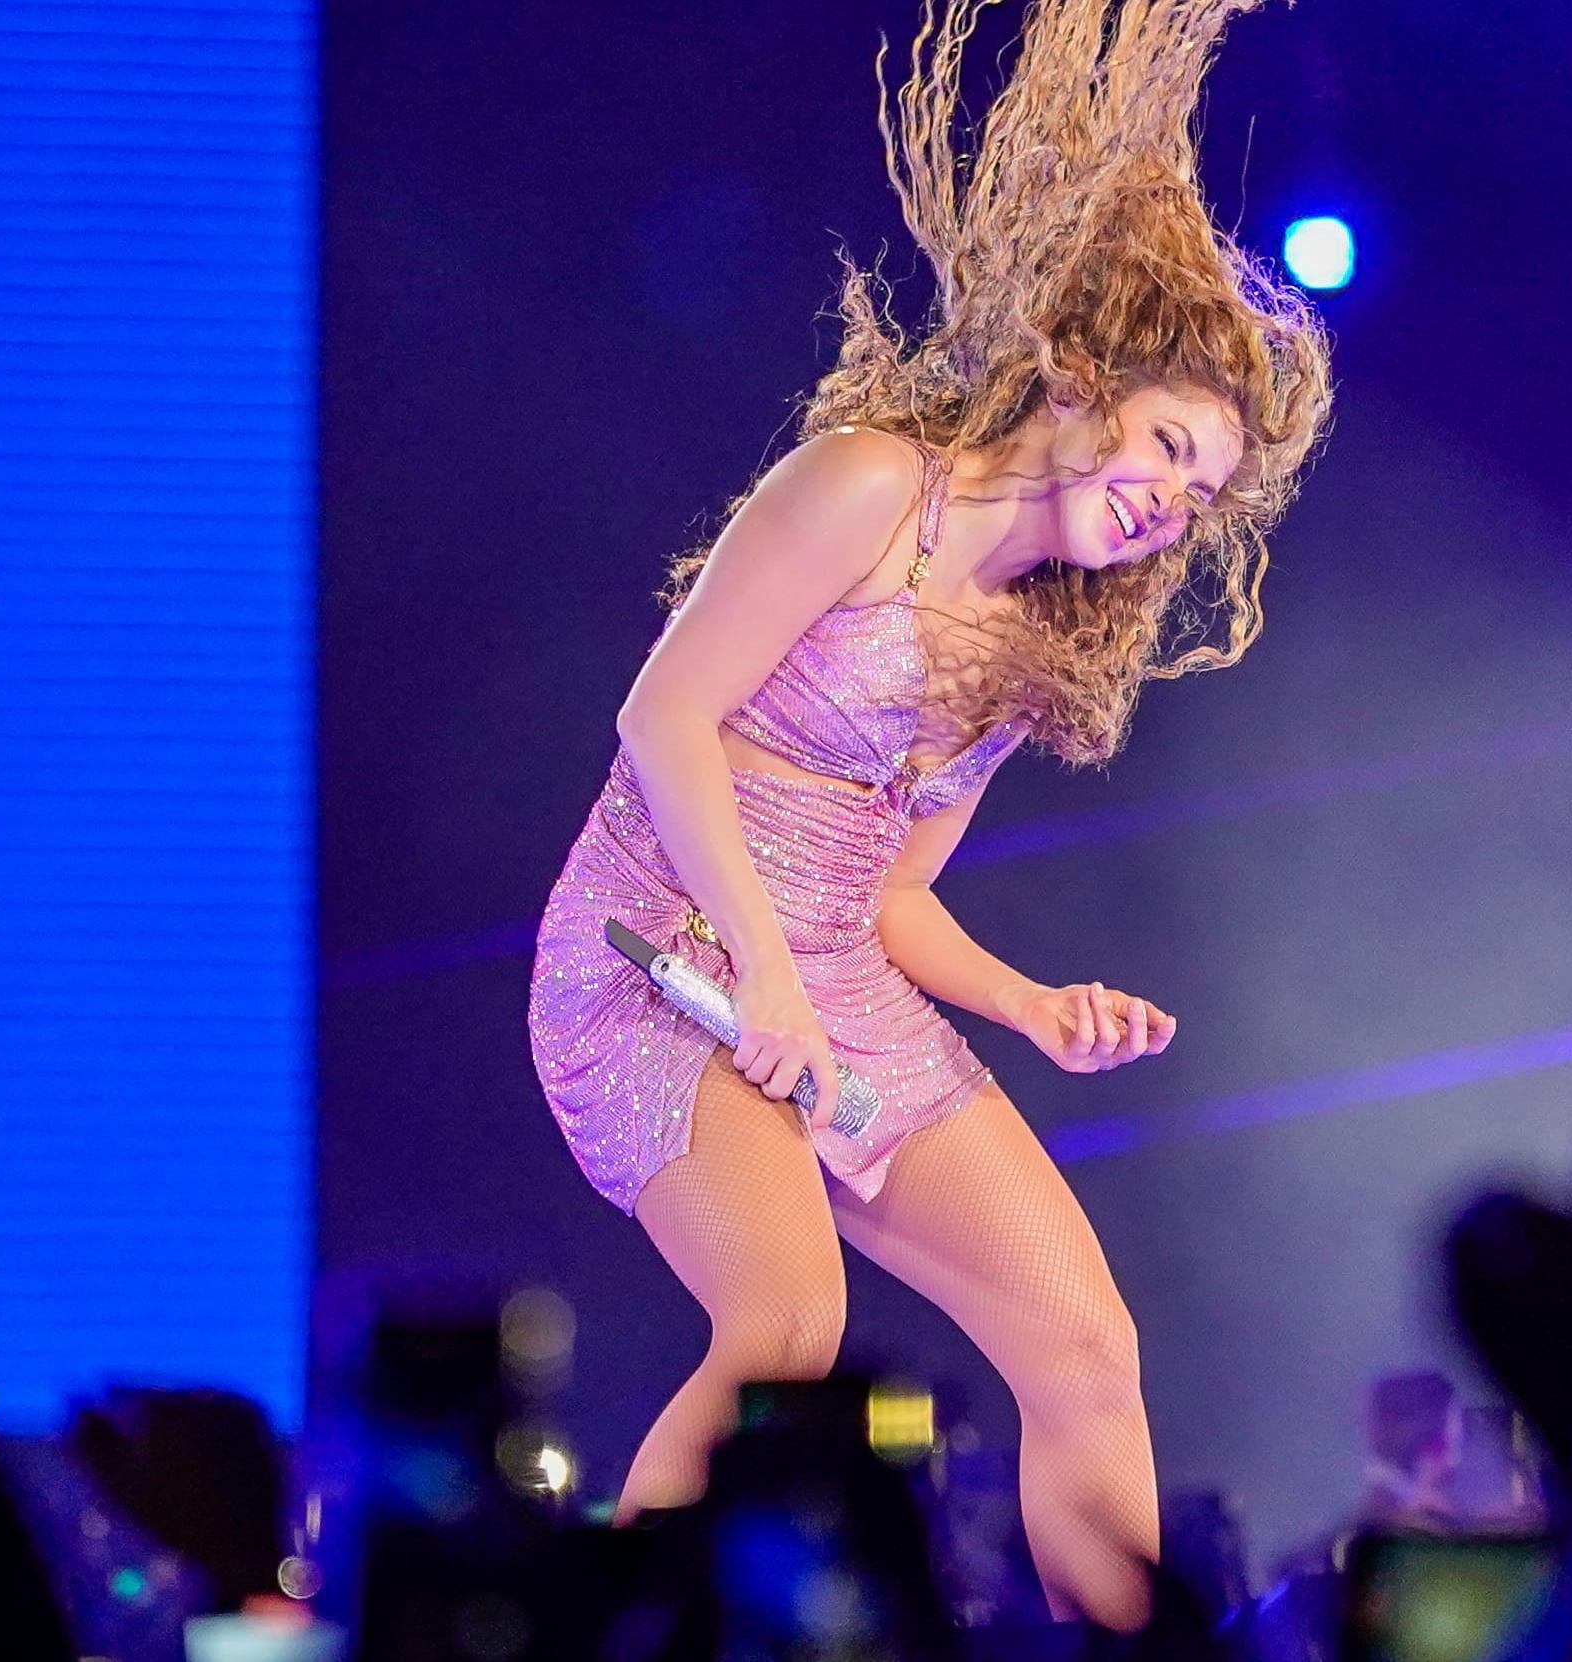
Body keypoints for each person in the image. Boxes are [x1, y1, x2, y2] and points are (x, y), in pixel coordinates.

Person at [523, 0, 1333, 1630]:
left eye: (1200, 495)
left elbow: (890, 898)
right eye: (1170, 447)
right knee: (786, 1329)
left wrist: (1034, 1004)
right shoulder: (869, 484)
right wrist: (761, 973)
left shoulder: (1029, 648)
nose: (1171, 502)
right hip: (656, 951)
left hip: (827, 986)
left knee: (1087, 1345)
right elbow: (662, 717)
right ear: (1082, 384)